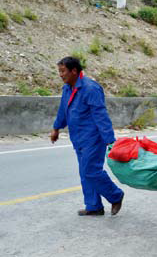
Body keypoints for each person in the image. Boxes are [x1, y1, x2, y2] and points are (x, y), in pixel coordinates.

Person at [51, 57, 124, 216]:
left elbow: (101, 115)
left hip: (93, 139)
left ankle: (116, 195)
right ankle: (94, 206)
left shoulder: (90, 88)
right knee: (85, 172)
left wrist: (110, 141)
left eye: (63, 71)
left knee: (91, 171)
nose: (61, 75)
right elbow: (63, 111)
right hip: (78, 139)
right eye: (59, 71)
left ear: (74, 71)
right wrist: (56, 128)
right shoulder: (67, 89)